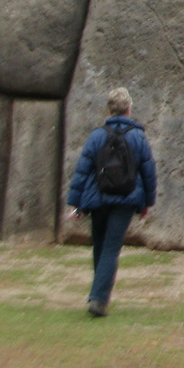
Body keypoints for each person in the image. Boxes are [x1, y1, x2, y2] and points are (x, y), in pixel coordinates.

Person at [66, 87, 157, 317]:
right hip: (126, 199)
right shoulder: (138, 136)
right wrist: (147, 202)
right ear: (128, 109)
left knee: (100, 246)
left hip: (98, 198)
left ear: (110, 108)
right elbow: (148, 171)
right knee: (110, 249)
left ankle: (99, 295)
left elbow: (83, 171)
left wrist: (76, 203)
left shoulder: (97, 135)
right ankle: (98, 299)